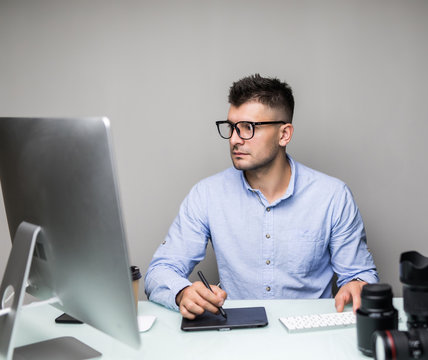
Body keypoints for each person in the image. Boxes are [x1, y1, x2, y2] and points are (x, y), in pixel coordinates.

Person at [145, 74, 378, 319]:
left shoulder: (332, 196)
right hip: (234, 334)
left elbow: (360, 275)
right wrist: (182, 292)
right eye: (231, 127)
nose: (234, 139)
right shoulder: (206, 195)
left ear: (284, 134)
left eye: (248, 128)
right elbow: (160, 271)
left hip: (309, 337)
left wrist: (358, 285)